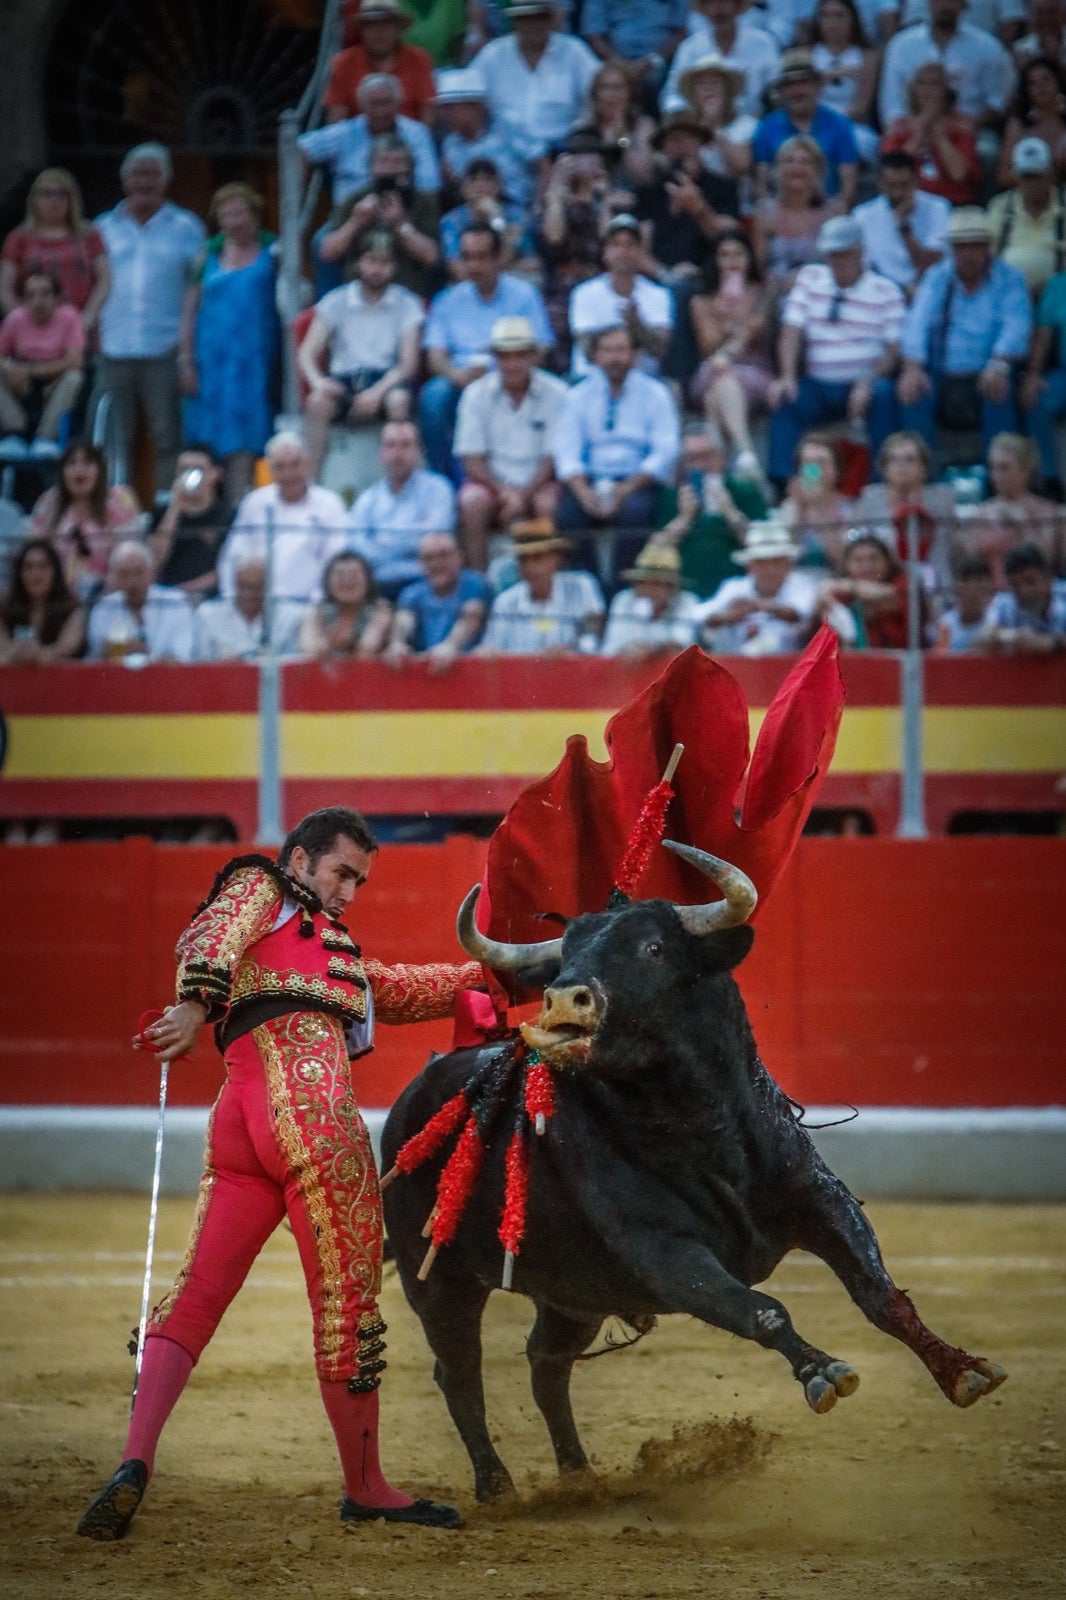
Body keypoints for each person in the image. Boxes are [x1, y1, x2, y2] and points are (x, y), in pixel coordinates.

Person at [76, 805, 479, 1542]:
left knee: (196, 1293)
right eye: (340, 873)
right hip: (314, 1116)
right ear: (299, 861)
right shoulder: (262, 885)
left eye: (360, 879)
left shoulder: (328, 948)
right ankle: (366, 1486)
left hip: (239, 1124)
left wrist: (482, 974)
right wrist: (195, 1007)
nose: (349, 890)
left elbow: (396, 989)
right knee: (346, 1305)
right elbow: (214, 932)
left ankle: (135, 1460)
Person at [93, 143, 207, 493]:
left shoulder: (187, 227)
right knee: (113, 436)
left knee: (167, 435)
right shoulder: (100, 229)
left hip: (165, 347)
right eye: (138, 174)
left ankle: (163, 510)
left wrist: (188, 351)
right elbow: (89, 286)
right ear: (124, 179)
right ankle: (115, 509)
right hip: (112, 346)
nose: (145, 181)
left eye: (152, 174)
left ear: (166, 180)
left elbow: (198, 287)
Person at [768, 214, 905, 488]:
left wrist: (869, 380)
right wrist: (787, 375)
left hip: (864, 383)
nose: (837, 261)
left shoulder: (886, 290)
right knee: (786, 398)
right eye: (832, 255)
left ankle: (880, 484)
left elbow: (894, 350)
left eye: (844, 255)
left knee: (885, 395)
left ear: (860, 252)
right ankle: (789, 487)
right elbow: (791, 331)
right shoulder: (810, 279)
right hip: (819, 383)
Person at [418, 221, 552, 479]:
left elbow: (542, 347)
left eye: (481, 258)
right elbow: (435, 357)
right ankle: (447, 483)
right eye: (467, 258)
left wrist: (507, 372)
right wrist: (457, 376)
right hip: (462, 380)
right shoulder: (447, 300)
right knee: (434, 397)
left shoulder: (524, 295)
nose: (474, 266)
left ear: (498, 258)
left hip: (512, 377)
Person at [897, 207, 1032, 458]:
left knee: (998, 388)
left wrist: (999, 362)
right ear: (952, 248)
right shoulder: (938, 277)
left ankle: (997, 481)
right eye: (961, 246)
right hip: (942, 372)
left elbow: (1016, 326)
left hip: (990, 368)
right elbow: (916, 322)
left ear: (987, 246)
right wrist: (913, 367)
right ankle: (924, 478)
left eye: (975, 245)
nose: (968, 254)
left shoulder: (1009, 278)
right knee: (911, 391)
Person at [553, 324, 681, 588]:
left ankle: (621, 590)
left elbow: (665, 450)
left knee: (634, 515)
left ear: (634, 355)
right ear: (595, 356)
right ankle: (589, 589)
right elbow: (567, 449)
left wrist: (627, 488)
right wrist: (582, 491)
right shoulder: (578, 396)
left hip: (638, 480)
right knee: (568, 516)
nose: (614, 358)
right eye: (607, 350)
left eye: (621, 350)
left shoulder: (656, 393)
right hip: (591, 479)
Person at [179, 184, 278, 502]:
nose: (233, 220)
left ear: (254, 214)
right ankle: (202, 505)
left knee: (244, 439)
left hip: (253, 363)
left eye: (239, 212)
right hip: (211, 364)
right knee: (206, 438)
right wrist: (186, 358)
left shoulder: (273, 250)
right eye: (225, 213)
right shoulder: (208, 253)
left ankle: (240, 505)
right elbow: (189, 309)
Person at [299, 242, 423, 478]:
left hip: (386, 380)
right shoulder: (336, 300)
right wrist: (318, 382)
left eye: (384, 263)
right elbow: (306, 352)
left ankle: (403, 480)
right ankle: (310, 484)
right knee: (317, 403)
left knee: (399, 400)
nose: (377, 270)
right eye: (371, 261)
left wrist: (377, 392)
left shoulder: (407, 303)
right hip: (344, 382)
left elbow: (408, 364)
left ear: (394, 267)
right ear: (358, 263)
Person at [454, 316, 568, 570]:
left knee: (548, 504)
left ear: (532, 357)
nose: (513, 363)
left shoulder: (557, 393)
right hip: (493, 485)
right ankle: (479, 582)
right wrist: (506, 493)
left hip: (540, 483)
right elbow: (471, 458)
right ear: (495, 358)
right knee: (471, 502)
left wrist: (523, 495)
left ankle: (550, 577)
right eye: (505, 356)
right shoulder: (475, 394)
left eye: (519, 355)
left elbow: (554, 457)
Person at [217, 433, 349, 606]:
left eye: (295, 465)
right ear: (270, 469)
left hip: (309, 606)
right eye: (280, 467)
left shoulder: (330, 504)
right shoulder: (254, 503)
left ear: (307, 464)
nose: (289, 474)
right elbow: (232, 557)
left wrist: (316, 606)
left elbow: (335, 560)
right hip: (255, 606)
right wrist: (232, 600)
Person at [468, 1, 599, 171]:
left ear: (551, 19)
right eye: (524, 18)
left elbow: (601, 87)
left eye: (539, 17)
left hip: (563, 148)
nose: (532, 24)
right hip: (506, 152)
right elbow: (468, 92)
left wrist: (584, 131)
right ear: (514, 21)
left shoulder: (574, 51)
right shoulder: (493, 54)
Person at [689, 228, 774, 476]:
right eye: (725, 255)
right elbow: (709, 348)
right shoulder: (702, 301)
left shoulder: (763, 292)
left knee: (716, 393)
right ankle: (745, 452)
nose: (732, 261)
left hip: (754, 370)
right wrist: (721, 315)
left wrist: (742, 324)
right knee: (720, 371)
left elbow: (758, 330)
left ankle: (719, 474)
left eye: (738, 253)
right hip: (712, 367)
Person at [298, 74, 440, 215]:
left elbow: (430, 186)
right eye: (374, 103)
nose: (380, 111)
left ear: (398, 102)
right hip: (348, 217)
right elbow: (299, 148)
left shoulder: (417, 133)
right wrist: (298, 194)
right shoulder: (345, 133)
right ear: (362, 105)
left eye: (386, 102)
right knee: (321, 238)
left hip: (403, 216)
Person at [319, 135, 441, 298]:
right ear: (371, 167)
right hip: (358, 295)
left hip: (407, 295)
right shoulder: (355, 200)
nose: (390, 169)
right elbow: (327, 252)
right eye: (384, 162)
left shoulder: (423, 202)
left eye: (397, 162)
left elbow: (431, 256)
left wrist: (401, 224)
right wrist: (356, 222)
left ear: (409, 167)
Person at [653, 429, 768, 600]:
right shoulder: (672, 496)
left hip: (737, 592)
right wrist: (683, 518)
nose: (699, 465)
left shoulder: (745, 491)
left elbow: (763, 548)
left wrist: (730, 511)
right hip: (683, 594)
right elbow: (654, 552)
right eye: (691, 459)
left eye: (706, 456)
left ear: (721, 456)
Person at [348, 420, 457, 598]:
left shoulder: (439, 490)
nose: (397, 454)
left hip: (426, 583)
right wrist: (411, 541)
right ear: (380, 453)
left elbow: (435, 541)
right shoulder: (367, 499)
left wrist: (382, 541)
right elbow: (358, 548)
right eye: (390, 446)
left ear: (419, 451)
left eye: (405, 445)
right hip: (378, 586)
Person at [0, 167, 109, 340]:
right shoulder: (19, 238)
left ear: (71, 199)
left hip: (80, 328)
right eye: (46, 194)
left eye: (61, 194)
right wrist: (21, 322)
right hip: (33, 332)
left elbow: (104, 280)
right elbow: (4, 287)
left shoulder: (89, 235)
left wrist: (88, 316)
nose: (54, 200)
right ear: (34, 199)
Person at [632, 113, 739, 288]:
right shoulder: (648, 193)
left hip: (712, 278)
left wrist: (700, 208)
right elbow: (638, 249)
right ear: (662, 148)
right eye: (673, 140)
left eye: (689, 138)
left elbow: (730, 238)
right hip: (660, 279)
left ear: (700, 143)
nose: (682, 146)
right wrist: (667, 275)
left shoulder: (723, 187)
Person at [879, 0, 1017, 132]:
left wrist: (973, 124)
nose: (945, 5)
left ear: (963, 4)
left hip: (972, 131)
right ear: (929, 3)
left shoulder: (987, 47)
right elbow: (892, 104)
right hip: (911, 130)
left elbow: (997, 101)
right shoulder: (901, 45)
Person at [27, 438, 141, 597]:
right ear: (62, 471)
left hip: (109, 597)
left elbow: (129, 560)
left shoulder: (120, 500)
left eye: (87, 463)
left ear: (100, 469)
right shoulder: (48, 502)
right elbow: (32, 554)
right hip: (56, 599)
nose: (79, 470)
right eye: (71, 463)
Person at [568, 213, 673, 379]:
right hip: (591, 378)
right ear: (605, 252)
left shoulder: (658, 295)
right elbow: (586, 347)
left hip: (643, 381)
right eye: (616, 245)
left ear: (640, 251)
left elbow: (660, 350)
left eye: (630, 245)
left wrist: (636, 324)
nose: (623, 251)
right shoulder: (584, 294)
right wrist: (625, 334)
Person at [478, 519, 604, 655]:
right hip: (521, 675)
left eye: (538, 558)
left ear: (557, 558)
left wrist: (568, 650)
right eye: (523, 560)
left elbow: (591, 636)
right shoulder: (505, 602)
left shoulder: (581, 586)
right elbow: (491, 649)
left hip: (571, 672)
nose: (529, 567)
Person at [697, 518, 823, 653]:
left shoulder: (803, 585)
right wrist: (727, 616)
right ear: (749, 566)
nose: (770, 569)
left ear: (789, 564)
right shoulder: (734, 587)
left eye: (777, 561)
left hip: (790, 667)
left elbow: (802, 613)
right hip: (740, 668)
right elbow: (699, 616)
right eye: (762, 562)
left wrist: (760, 606)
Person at [753, 49, 860, 207]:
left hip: (827, 213)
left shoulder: (840, 125)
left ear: (818, 85)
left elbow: (848, 187)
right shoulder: (767, 126)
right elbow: (761, 185)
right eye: (790, 84)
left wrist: (833, 213)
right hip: (781, 214)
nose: (797, 91)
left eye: (804, 83)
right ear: (782, 90)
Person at [854, 428, 956, 591]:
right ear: (885, 467)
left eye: (910, 459)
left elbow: (950, 550)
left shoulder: (941, 499)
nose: (901, 466)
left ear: (924, 467)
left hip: (934, 583)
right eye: (894, 459)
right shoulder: (870, 498)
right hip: (883, 585)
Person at [956, 433, 1064, 586]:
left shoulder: (1049, 511)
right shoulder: (982, 512)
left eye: (1004, 468)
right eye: (993, 467)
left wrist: (1022, 523)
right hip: (994, 600)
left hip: (1035, 599)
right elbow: (972, 565)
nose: (997, 475)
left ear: (1025, 471)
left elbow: (1046, 562)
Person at [0, 270, 85, 458]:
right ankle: (14, 432)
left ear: (57, 298)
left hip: (54, 384)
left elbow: (76, 361)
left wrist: (31, 370)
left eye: (45, 294)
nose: (38, 301)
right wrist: (10, 368)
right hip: (21, 387)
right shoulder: (16, 318)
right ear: (23, 300)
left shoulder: (69, 317)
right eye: (31, 295)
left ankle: (46, 437)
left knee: (74, 378)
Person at [880, 61, 981, 207]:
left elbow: (959, 175)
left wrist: (940, 136)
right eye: (921, 83)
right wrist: (918, 135)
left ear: (947, 90)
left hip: (954, 204)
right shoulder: (898, 127)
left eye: (935, 84)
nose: (928, 90)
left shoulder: (962, 126)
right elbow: (892, 174)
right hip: (909, 205)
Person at [385, 531, 491, 669]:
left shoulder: (474, 584)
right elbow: (404, 620)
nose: (436, 563)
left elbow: (471, 616)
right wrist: (398, 644)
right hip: (425, 673)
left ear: (459, 557)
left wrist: (450, 646)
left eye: (443, 555)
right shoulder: (412, 594)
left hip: (466, 670)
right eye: (428, 558)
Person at [661, 0, 782, 121]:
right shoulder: (690, 48)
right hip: (701, 127)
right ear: (704, 9)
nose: (717, 9)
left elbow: (776, 87)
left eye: (724, 2)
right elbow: (672, 95)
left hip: (756, 123)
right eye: (710, 3)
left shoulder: (763, 43)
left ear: (737, 6)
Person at [752, 135, 843, 296]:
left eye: (805, 162)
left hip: (822, 294)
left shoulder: (833, 212)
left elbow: (841, 263)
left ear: (818, 170)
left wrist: (803, 280)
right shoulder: (765, 212)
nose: (797, 167)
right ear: (778, 168)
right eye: (789, 161)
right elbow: (759, 269)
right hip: (776, 295)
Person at [853, 150, 951, 298]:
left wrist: (904, 227)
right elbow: (864, 268)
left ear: (915, 181)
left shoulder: (938, 208)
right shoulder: (862, 215)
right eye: (892, 186)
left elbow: (931, 265)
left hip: (927, 291)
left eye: (904, 185)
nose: (898, 193)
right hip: (881, 294)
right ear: (880, 184)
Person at [434, 69, 532, 215]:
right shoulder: (451, 144)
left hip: (520, 208)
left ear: (473, 105)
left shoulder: (508, 126)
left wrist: (539, 208)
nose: (444, 115)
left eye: (450, 108)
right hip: (476, 216)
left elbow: (542, 165)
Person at [323, 0, 437, 124]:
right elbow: (336, 119)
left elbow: (428, 115)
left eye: (386, 25)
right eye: (372, 25)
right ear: (362, 30)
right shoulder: (344, 62)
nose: (379, 32)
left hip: (407, 137)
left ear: (398, 29)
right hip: (360, 138)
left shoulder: (418, 59)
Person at [86, 540, 195, 662]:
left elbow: (182, 656)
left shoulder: (175, 602)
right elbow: (98, 655)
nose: (132, 582)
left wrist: (143, 651)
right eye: (124, 574)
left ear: (152, 572)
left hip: (166, 678)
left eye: (139, 572)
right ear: (114, 577)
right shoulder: (104, 608)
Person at [148, 444, 233, 599]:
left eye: (198, 469)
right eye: (184, 470)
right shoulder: (162, 514)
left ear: (215, 473)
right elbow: (154, 561)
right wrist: (175, 507)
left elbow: (226, 569)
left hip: (211, 601)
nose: (191, 476)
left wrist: (183, 592)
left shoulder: (229, 516)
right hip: (166, 601)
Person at [987, 137, 1066, 299]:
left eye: (1037, 176)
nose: (1032, 184)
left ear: (1050, 175)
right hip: (1008, 294)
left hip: (1059, 294)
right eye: (1026, 176)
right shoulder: (999, 207)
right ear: (1016, 177)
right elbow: (987, 259)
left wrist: (1049, 288)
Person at [600, 542, 703, 657]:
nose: (649, 590)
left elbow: (682, 645)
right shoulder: (624, 599)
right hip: (630, 672)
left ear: (672, 588)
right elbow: (611, 647)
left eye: (657, 584)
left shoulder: (687, 601)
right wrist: (631, 649)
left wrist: (654, 648)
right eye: (642, 583)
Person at [193, 554, 303, 660]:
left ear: (268, 586)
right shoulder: (209, 614)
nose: (248, 593)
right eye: (242, 586)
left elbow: (300, 660)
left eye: (255, 587)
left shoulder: (292, 616)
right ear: (234, 583)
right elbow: (199, 660)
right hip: (224, 676)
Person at [820, 529, 918, 647]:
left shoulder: (902, 583)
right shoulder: (840, 594)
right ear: (846, 565)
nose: (866, 566)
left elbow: (887, 596)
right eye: (858, 560)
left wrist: (847, 586)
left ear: (888, 562)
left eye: (874, 558)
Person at [809, 0, 879, 162]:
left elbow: (861, 107)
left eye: (839, 16)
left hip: (852, 124)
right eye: (826, 16)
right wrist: (833, 74)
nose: (833, 23)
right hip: (813, 122)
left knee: (863, 142)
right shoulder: (807, 54)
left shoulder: (868, 57)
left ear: (852, 20)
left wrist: (835, 124)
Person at [776, 429, 856, 569]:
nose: (814, 470)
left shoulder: (851, 507)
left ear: (836, 470)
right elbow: (783, 560)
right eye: (808, 463)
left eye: (821, 463)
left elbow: (843, 561)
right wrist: (799, 508)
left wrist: (819, 508)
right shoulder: (790, 506)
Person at [570, 61, 657, 187]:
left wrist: (623, 137)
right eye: (605, 87)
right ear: (595, 94)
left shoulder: (643, 125)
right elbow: (582, 179)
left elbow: (642, 176)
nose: (612, 95)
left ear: (630, 93)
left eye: (618, 87)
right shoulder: (582, 128)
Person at [0, 537, 85, 663]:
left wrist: (39, 655)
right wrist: (16, 654)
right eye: (29, 567)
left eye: (43, 566)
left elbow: (67, 648)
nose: (36, 573)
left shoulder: (71, 608)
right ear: (19, 573)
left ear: (55, 572)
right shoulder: (5, 608)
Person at [440, 159, 529, 278]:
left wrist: (496, 218)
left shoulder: (515, 215)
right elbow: (459, 272)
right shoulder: (451, 221)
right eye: (473, 179)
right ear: (463, 188)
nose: (480, 185)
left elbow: (508, 256)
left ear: (499, 185)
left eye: (487, 179)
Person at [298, 550, 394, 660]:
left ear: (368, 581)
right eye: (340, 574)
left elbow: (367, 650)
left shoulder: (380, 609)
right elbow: (311, 647)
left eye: (354, 574)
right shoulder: (316, 610)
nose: (347, 580)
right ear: (327, 581)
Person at [677, 53, 756, 183]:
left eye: (715, 83)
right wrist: (705, 124)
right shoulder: (684, 130)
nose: (709, 89)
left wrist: (716, 128)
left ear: (728, 92)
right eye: (702, 84)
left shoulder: (747, 125)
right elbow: (687, 168)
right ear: (693, 94)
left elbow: (740, 167)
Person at [583, 0, 689, 94]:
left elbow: (681, 33)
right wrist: (621, 66)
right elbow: (594, 36)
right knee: (612, 82)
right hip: (614, 61)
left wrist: (654, 60)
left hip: (661, 61)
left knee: (661, 82)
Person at [1022, 266, 1066, 490]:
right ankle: (1049, 479)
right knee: (1036, 398)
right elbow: (1043, 335)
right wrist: (1034, 374)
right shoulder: (1059, 284)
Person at [976, 541, 1066, 650]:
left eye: (1030, 581)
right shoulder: (1004, 603)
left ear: (1047, 578)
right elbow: (983, 638)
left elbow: (1049, 642)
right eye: (1016, 585)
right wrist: (1011, 637)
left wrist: (1050, 642)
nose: (1025, 590)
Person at [998, 55, 1066, 185]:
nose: (1041, 87)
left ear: (1058, 82)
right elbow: (1004, 176)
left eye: (1046, 79)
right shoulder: (1018, 125)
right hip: (1029, 193)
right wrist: (1034, 173)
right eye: (1032, 83)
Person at [934, 556, 995, 649]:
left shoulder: (995, 621)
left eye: (980, 590)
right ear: (959, 589)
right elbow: (940, 655)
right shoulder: (945, 624)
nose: (974, 595)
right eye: (969, 592)